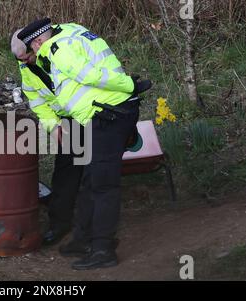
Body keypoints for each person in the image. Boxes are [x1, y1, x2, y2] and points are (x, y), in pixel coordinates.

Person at [18, 18, 151, 270]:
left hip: (108, 115)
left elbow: (90, 75)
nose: (33, 56)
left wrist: (130, 84)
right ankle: (82, 238)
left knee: (103, 185)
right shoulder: (68, 33)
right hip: (103, 114)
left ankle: (103, 249)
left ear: (36, 42)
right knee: (91, 179)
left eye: (32, 51)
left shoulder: (57, 50)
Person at [11, 29, 84, 246]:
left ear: (36, 44)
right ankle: (60, 224)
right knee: (65, 173)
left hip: (90, 112)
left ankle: (92, 224)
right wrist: (53, 125)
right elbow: (37, 99)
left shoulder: (62, 51)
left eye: (28, 57)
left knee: (92, 170)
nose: (26, 63)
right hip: (66, 120)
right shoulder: (26, 65)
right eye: (21, 61)